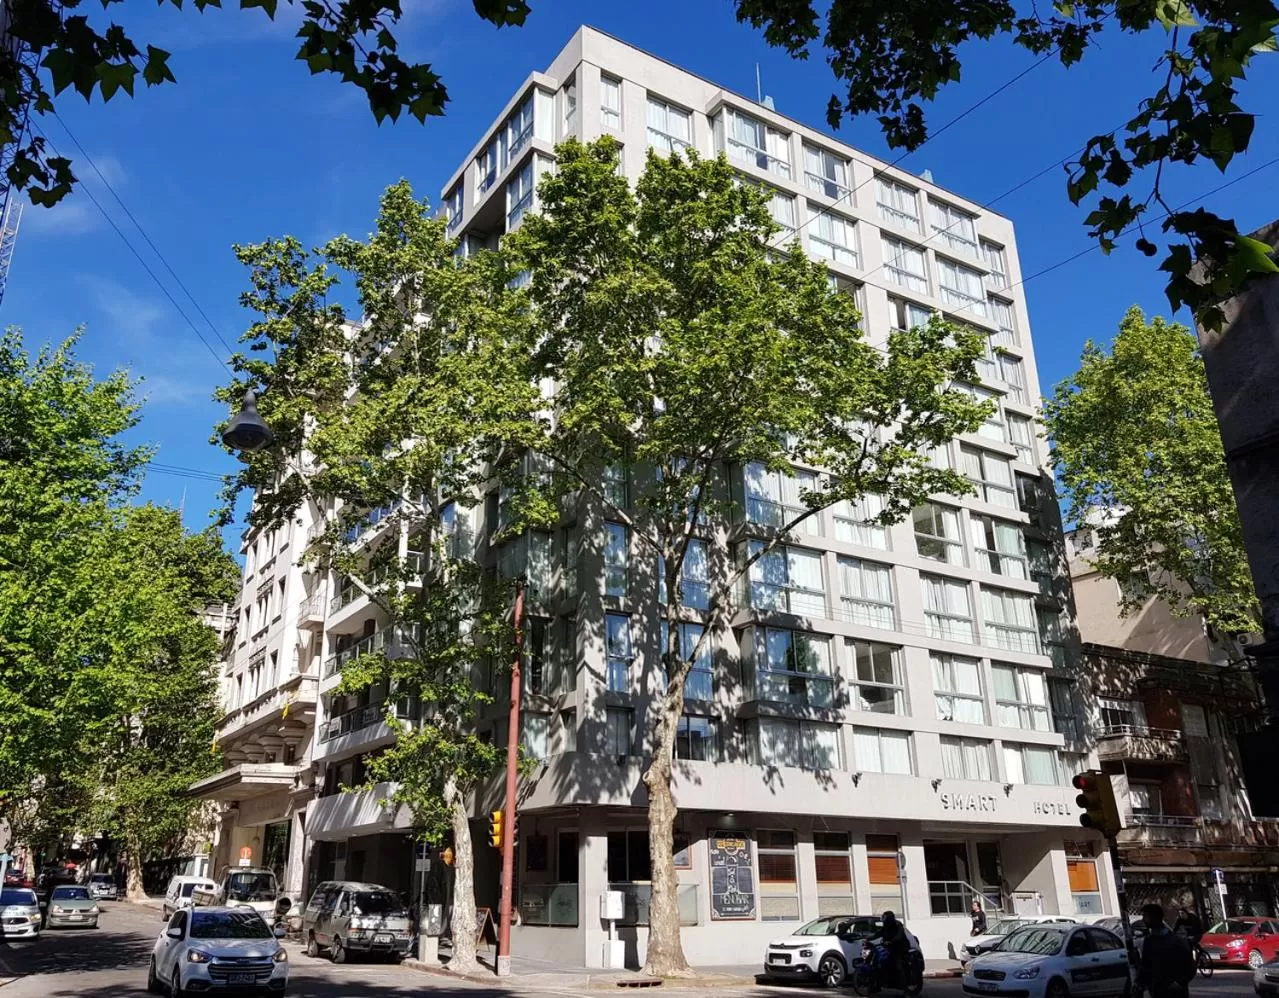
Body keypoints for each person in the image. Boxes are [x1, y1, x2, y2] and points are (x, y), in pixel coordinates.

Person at [1138, 903, 1195, 998]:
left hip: (1175, 992)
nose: (1143, 920)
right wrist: (1140, 983)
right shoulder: (1149, 941)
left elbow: (1189, 966)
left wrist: (1179, 982)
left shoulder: (1175, 941)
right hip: (1158, 990)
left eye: (1146, 916)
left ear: (1155, 917)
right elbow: (1146, 965)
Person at [874, 910, 912, 989]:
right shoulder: (885, 927)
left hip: (900, 948)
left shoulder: (897, 925)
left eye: (884, 917)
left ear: (889, 918)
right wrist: (867, 939)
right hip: (890, 948)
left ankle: (906, 988)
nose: (883, 919)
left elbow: (900, 935)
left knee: (898, 966)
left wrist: (891, 941)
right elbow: (878, 934)